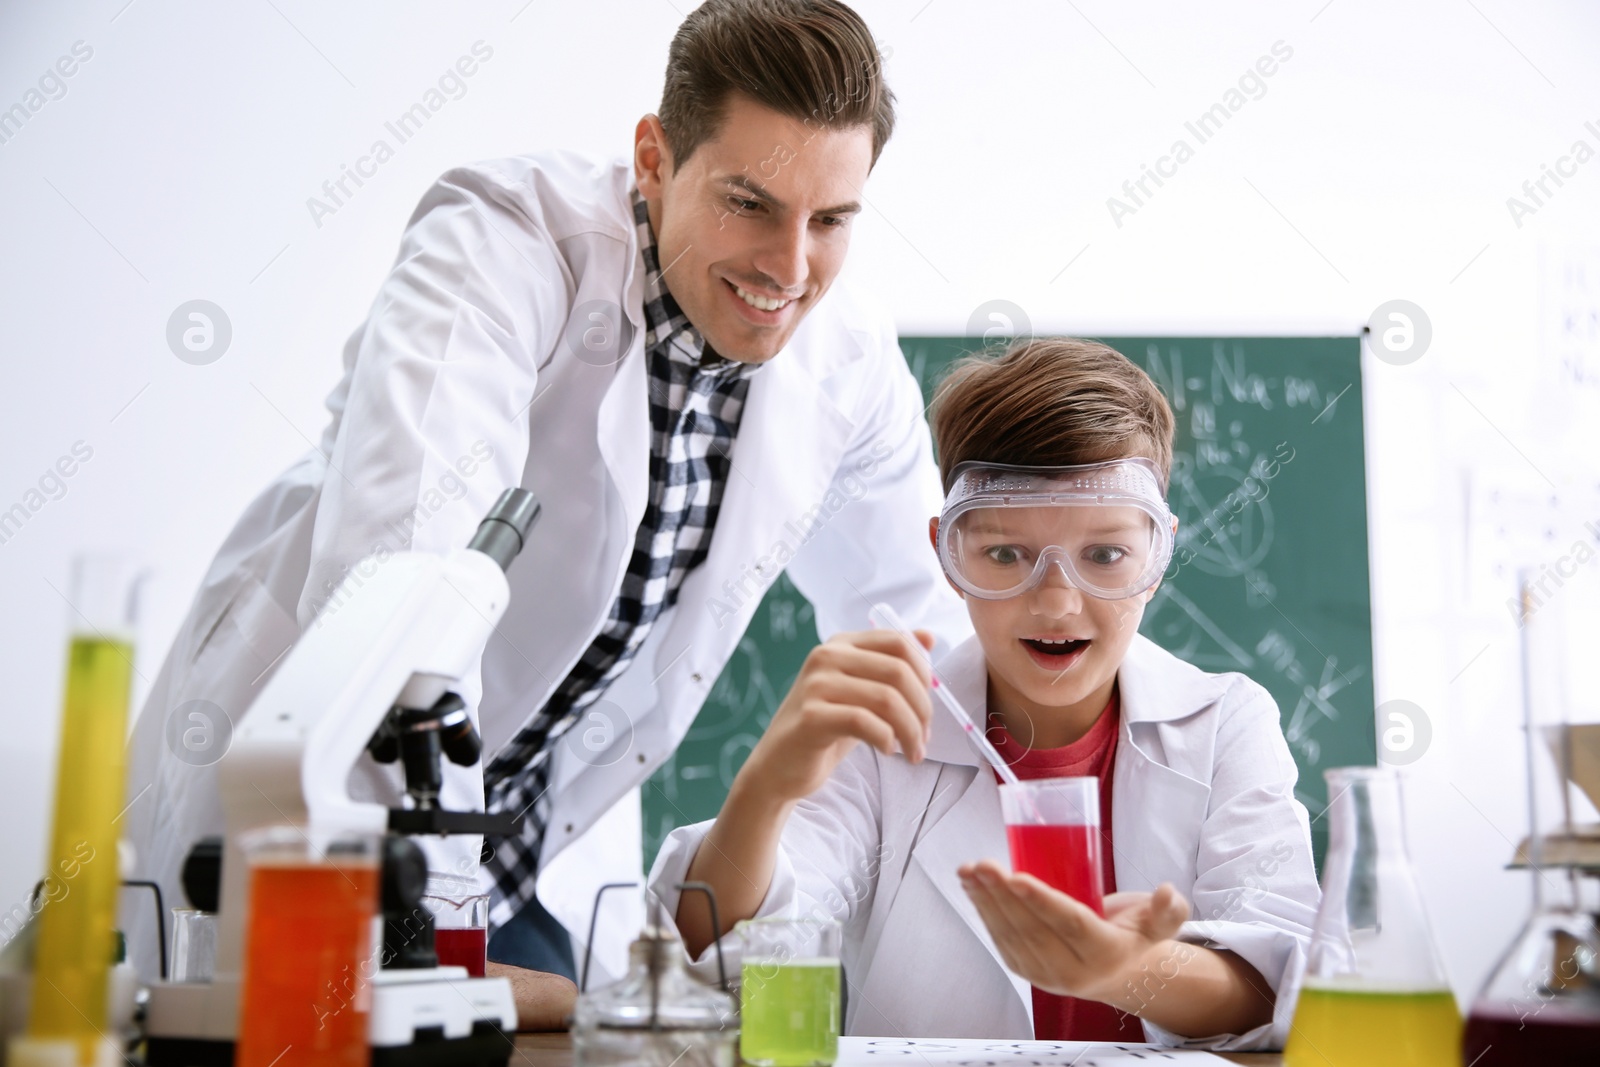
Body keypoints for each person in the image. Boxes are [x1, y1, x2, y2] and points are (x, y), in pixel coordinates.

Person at [121, 0, 970, 1028]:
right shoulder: (501, 243)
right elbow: (402, 586)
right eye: (750, 202)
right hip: (337, 822)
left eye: (830, 220)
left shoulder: (848, 368)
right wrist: (436, 946)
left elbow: (926, 639)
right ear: (653, 159)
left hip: (535, 854)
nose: (790, 269)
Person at [650, 338, 1321, 1050]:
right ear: (950, 554)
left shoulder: (1225, 726)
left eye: (1106, 554)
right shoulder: (889, 730)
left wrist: (1129, 969)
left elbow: (1278, 984)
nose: (1058, 603)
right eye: (1006, 554)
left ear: (1157, 557)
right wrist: (764, 788)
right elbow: (723, 969)